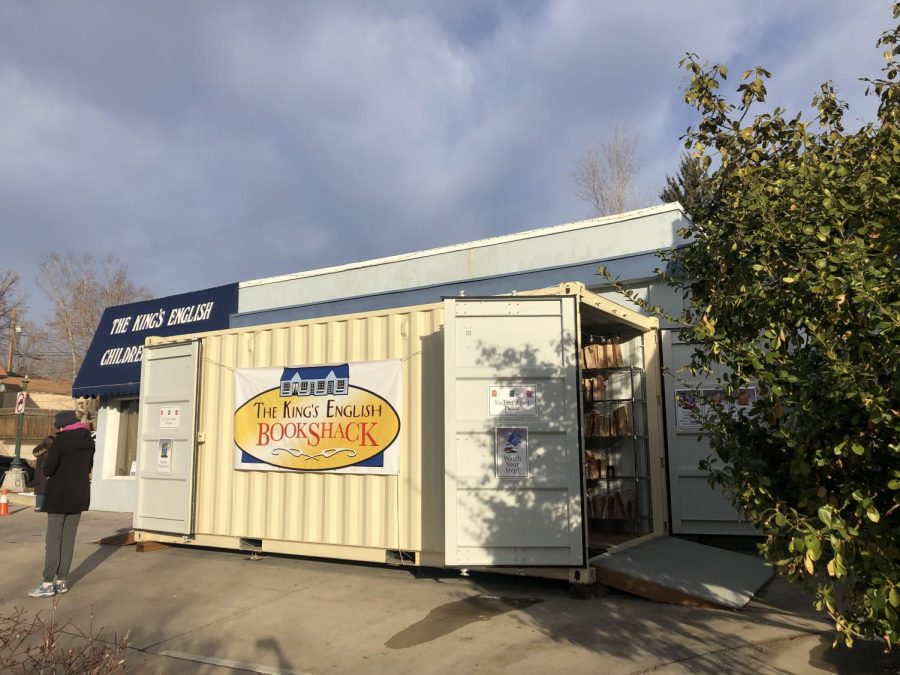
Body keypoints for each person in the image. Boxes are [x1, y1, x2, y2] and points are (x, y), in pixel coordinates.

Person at [28, 411, 95, 598]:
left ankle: (48, 582)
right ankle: (62, 580)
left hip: (59, 495)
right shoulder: (89, 441)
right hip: (79, 494)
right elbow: (89, 466)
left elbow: (49, 468)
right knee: (69, 538)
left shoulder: (61, 440)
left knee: (53, 538)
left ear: (62, 426)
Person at [29, 434, 54, 512]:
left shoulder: (40, 451)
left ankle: (38, 506)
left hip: (40, 474)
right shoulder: (52, 451)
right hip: (47, 473)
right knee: (46, 490)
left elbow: (35, 452)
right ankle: (43, 506)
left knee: (40, 491)